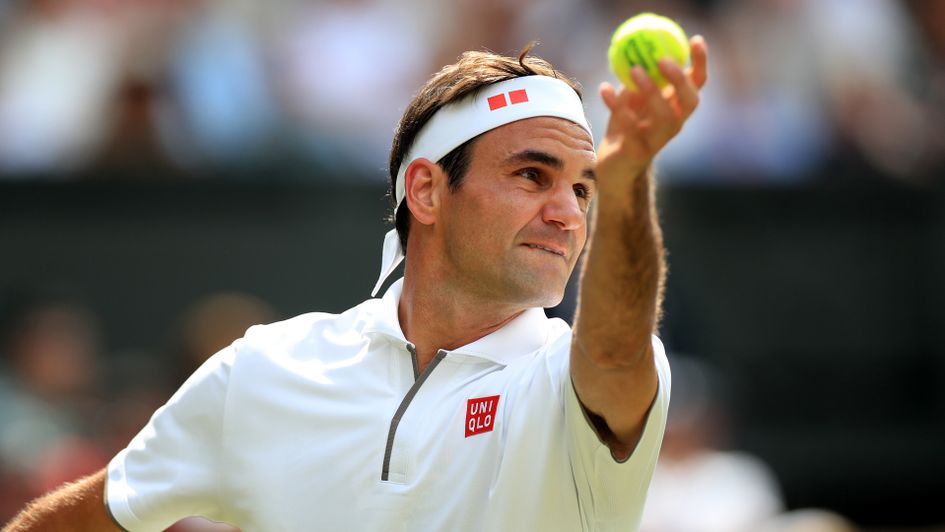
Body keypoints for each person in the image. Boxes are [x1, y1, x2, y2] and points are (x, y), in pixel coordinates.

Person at [4, 34, 708, 531]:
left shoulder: (568, 377)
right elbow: (83, 520)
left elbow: (615, 353)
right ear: (426, 193)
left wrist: (627, 186)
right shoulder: (263, 370)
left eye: (584, 191)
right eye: (531, 176)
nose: (565, 213)